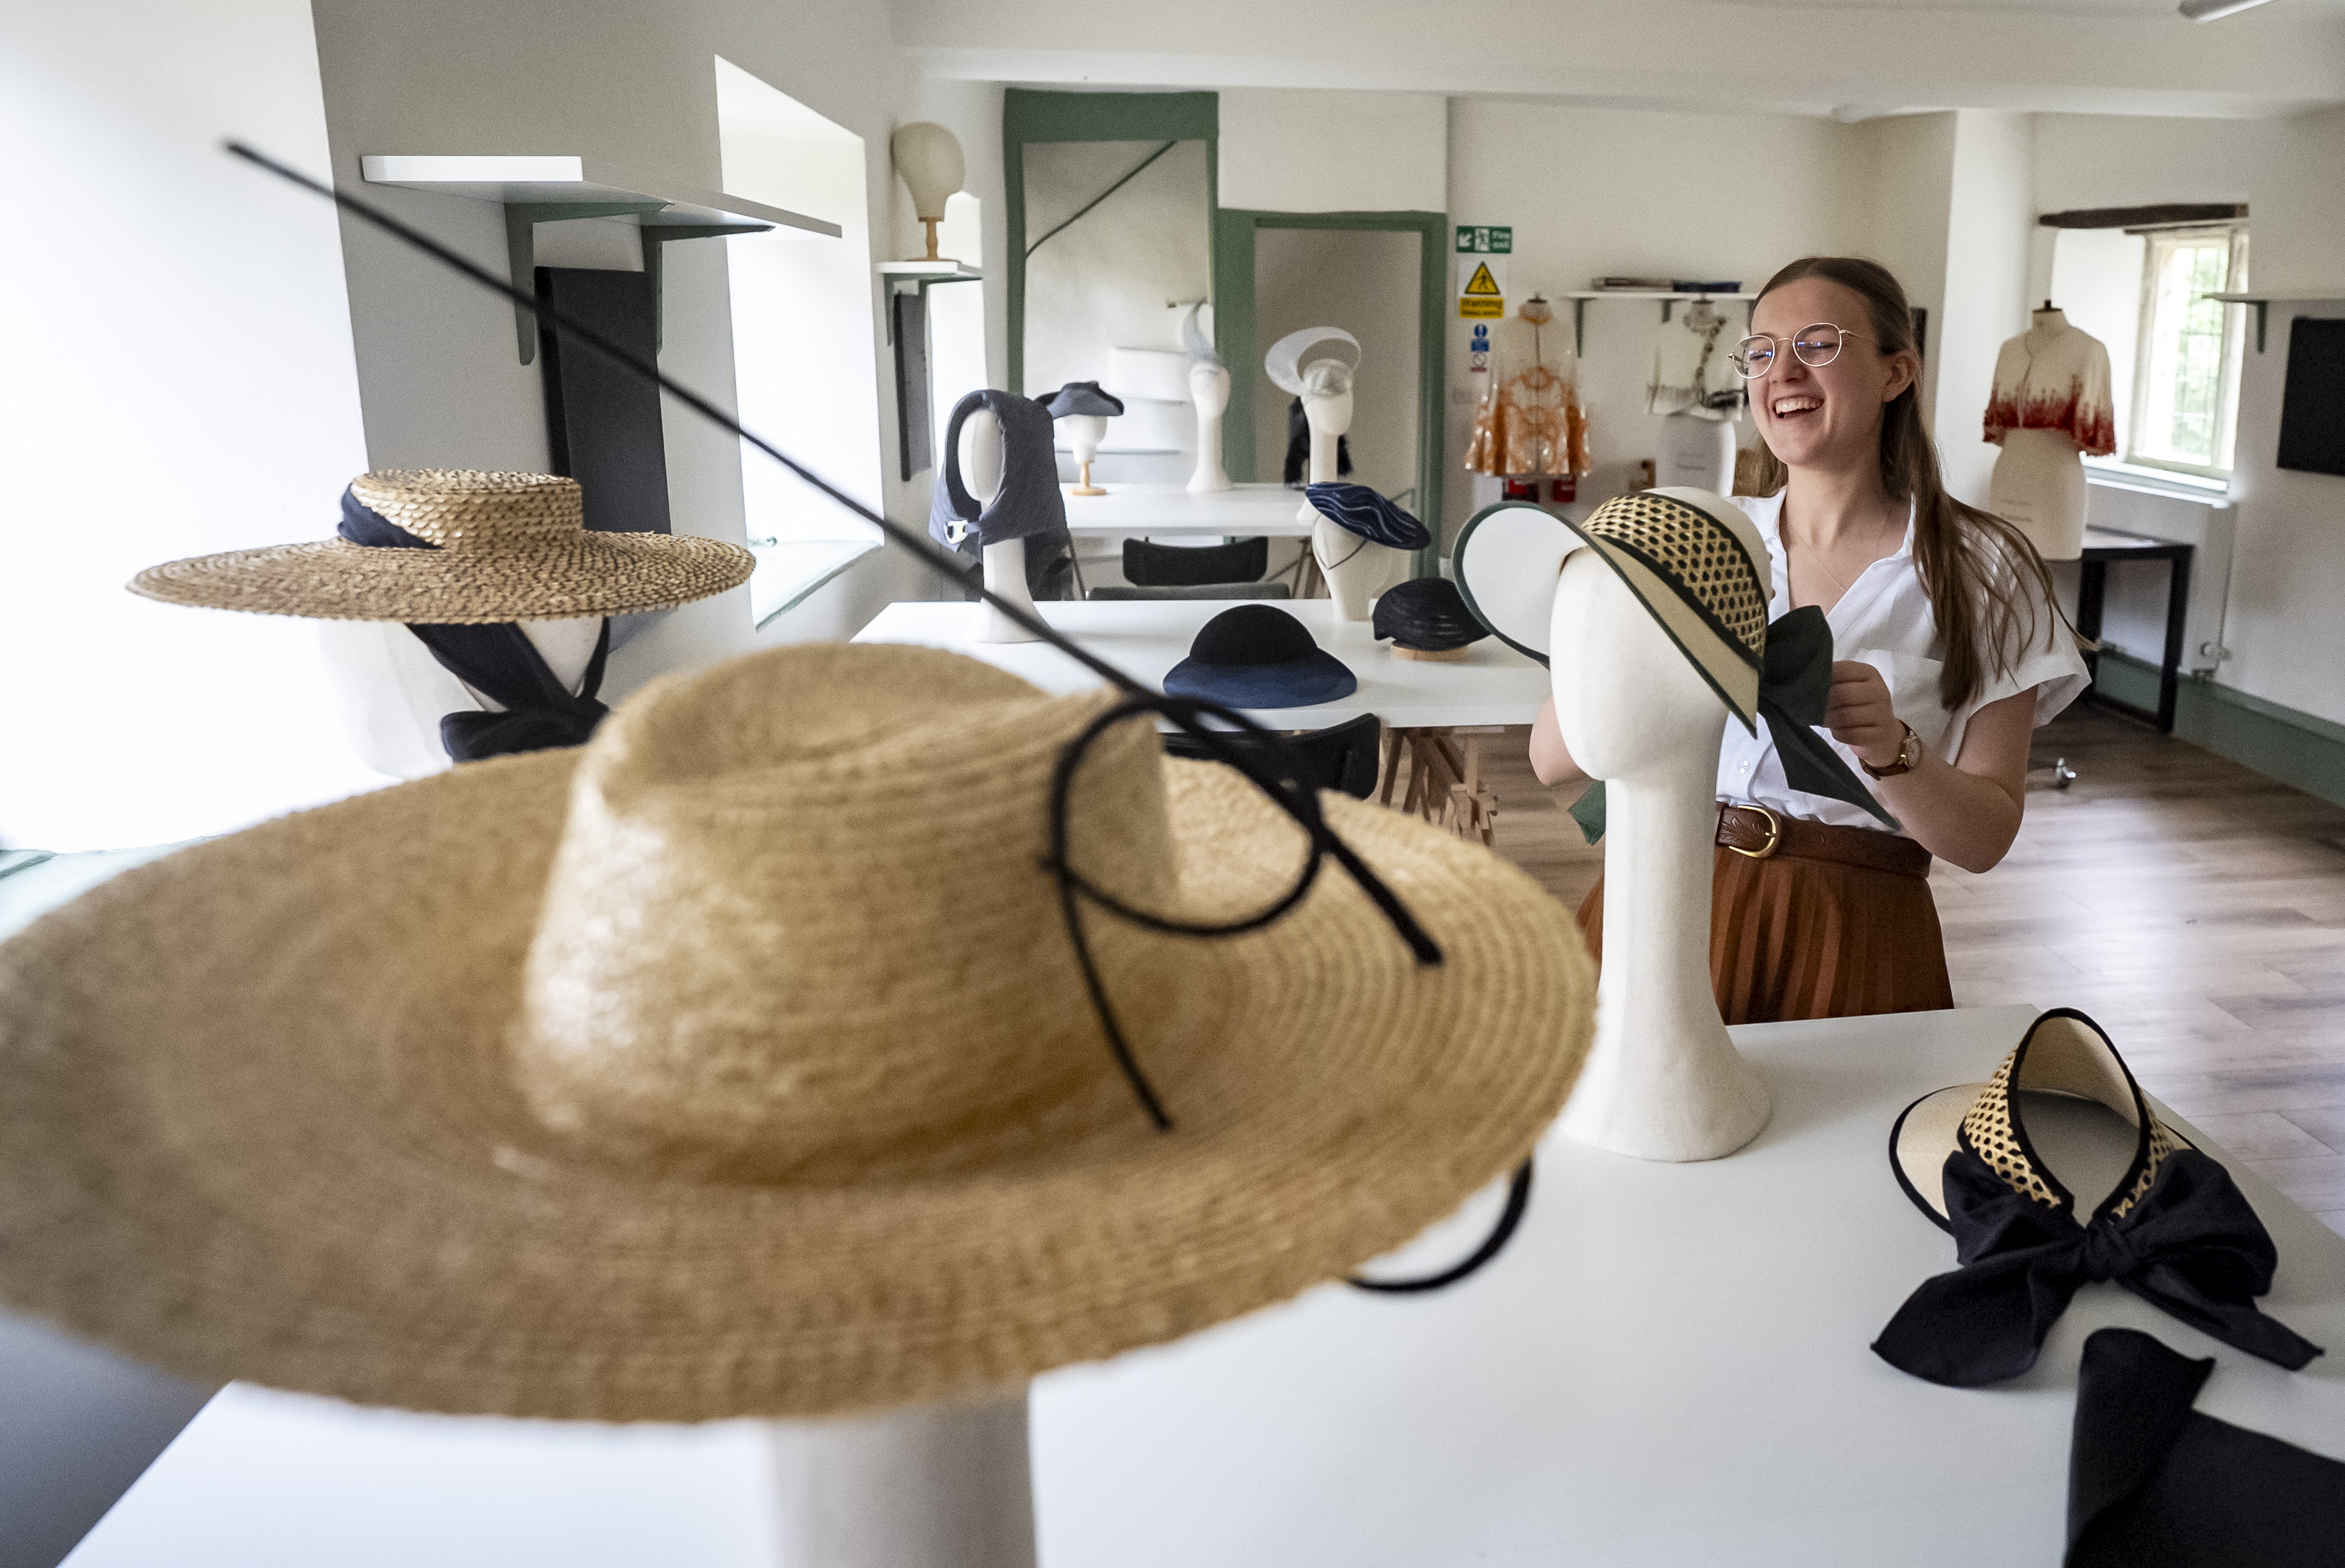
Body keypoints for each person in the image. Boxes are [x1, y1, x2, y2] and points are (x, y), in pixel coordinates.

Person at [1530, 256, 2088, 1023]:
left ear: (1897, 372)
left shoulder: (1983, 571)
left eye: (1818, 343)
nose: (1782, 371)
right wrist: (1624, 620)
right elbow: (1551, 759)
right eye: (1760, 351)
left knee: (1837, 1136)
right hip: (1659, 892)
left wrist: (1892, 748)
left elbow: (1984, 837)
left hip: (1853, 928)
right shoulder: (1691, 543)